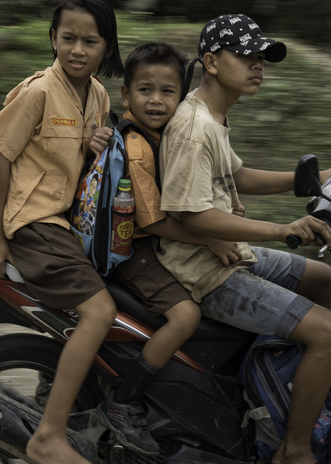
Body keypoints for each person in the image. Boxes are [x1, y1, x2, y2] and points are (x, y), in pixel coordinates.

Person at [158, 14, 331, 464]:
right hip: (204, 273)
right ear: (211, 62)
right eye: (246, 55)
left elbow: (238, 175)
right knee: (328, 333)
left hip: (229, 255)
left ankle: (287, 385)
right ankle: (294, 450)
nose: (258, 64)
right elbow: (196, 216)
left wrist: (314, 179)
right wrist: (282, 230)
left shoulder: (213, 116)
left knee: (322, 279)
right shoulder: (193, 127)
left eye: (261, 56)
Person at [0, 0, 125, 464]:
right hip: (33, 223)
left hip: (69, 225)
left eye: (90, 41)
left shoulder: (99, 95)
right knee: (100, 313)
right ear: (53, 38)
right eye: (68, 38)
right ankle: (48, 437)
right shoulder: (38, 92)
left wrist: (92, 145)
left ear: (106, 47)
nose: (77, 50)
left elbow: (73, 162)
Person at [92, 42, 242, 454]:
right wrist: (210, 236)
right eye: (145, 90)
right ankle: (125, 401)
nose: (156, 100)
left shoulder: (163, 135)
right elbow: (153, 221)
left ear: (182, 96)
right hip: (133, 251)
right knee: (185, 315)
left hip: (157, 240)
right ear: (126, 95)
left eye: (167, 92)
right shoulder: (138, 146)